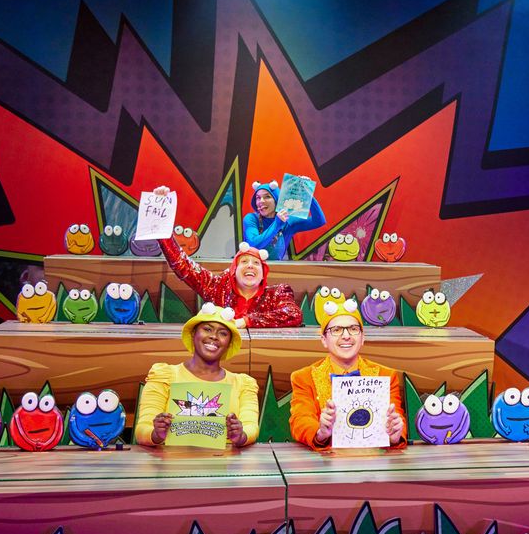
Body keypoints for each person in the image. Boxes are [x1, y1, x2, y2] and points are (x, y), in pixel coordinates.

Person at [152, 185, 303, 327]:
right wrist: (161, 220)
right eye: (244, 261)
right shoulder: (216, 288)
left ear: (263, 273)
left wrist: (246, 321)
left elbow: (293, 314)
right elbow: (181, 264)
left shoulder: (277, 294)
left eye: (256, 263)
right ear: (234, 270)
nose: (250, 265)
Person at [288, 299, 406, 450]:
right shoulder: (304, 377)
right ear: (324, 340)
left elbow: (397, 418)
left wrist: (394, 436)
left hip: (373, 458)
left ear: (362, 338)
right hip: (325, 460)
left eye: (353, 329)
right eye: (336, 330)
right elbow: (300, 419)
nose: (346, 336)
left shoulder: (385, 376)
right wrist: (320, 432)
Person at [135, 304, 259, 447]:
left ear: (229, 343)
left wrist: (241, 436)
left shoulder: (243, 384)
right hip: (171, 459)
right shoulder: (163, 376)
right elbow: (142, 429)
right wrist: (156, 434)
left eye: (223, 333)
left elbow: (251, 427)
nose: (214, 336)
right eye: (207, 329)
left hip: (225, 459)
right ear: (194, 333)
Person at [242, 179, 327, 261]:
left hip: (276, 268)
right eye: (258, 198)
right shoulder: (251, 219)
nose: (261, 201)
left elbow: (319, 221)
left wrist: (308, 194)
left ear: (277, 200)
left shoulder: (288, 221)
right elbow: (254, 244)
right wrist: (277, 224)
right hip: (253, 268)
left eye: (267, 197)